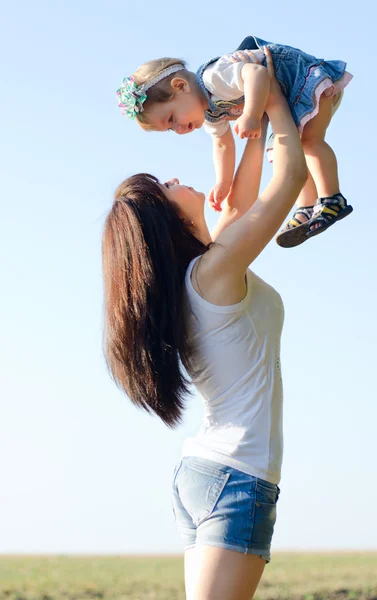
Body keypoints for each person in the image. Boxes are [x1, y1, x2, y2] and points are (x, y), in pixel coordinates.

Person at [104, 49, 307, 599]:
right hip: (235, 479)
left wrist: (257, 119)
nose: (175, 176)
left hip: (211, 474)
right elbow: (288, 178)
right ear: (168, 218)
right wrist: (280, 100)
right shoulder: (212, 274)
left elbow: (240, 203)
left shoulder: (205, 270)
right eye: (164, 186)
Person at [117, 35, 353, 248]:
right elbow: (222, 144)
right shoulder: (210, 115)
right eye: (170, 129)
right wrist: (223, 182)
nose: (178, 129)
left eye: (171, 118)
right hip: (285, 99)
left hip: (301, 79)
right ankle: (307, 205)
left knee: (309, 142)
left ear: (181, 86)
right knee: (284, 152)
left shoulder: (213, 78)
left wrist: (250, 114)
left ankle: (332, 198)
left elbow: (257, 74)